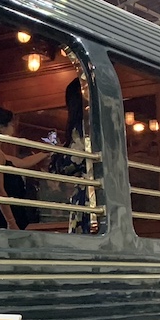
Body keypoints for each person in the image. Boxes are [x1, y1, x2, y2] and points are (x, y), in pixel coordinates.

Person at [0, 107, 48, 230]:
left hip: (12, 212)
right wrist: (11, 221)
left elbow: (23, 162)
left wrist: (46, 152)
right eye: (11, 125)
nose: (13, 129)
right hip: (4, 217)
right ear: (2, 127)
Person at [50, 79, 91, 233]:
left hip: (87, 194)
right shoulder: (101, 123)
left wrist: (56, 155)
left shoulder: (82, 126)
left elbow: (73, 161)